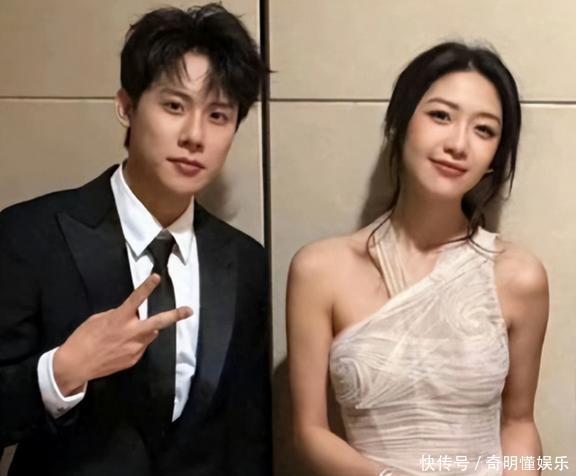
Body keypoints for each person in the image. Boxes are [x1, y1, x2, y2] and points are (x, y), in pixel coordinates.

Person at [0, 4, 271, 475]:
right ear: (126, 107)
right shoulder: (29, 236)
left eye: (218, 115)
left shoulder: (245, 261)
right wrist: (61, 372)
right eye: (174, 106)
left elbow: (247, 434)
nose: (195, 135)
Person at [287, 42, 548, 476]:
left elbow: (518, 423)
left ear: (494, 159)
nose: (458, 144)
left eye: (484, 130)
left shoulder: (520, 277)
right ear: (400, 122)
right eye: (441, 116)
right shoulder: (320, 271)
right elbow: (310, 432)